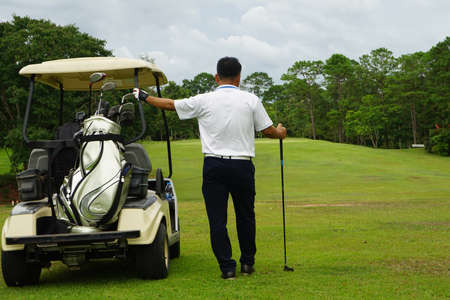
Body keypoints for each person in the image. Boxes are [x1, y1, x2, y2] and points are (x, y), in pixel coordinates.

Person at [133, 57, 286, 280]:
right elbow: (269, 131)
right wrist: (281, 131)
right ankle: (247, 263)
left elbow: (169, 104)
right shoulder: (251, 100)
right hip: (242, 165)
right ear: (239, 78)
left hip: (214, 165)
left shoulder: (204, 100)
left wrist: (144, 96)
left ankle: (227, 268)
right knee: (246, 216)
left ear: (217, 77)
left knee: (217, 220)